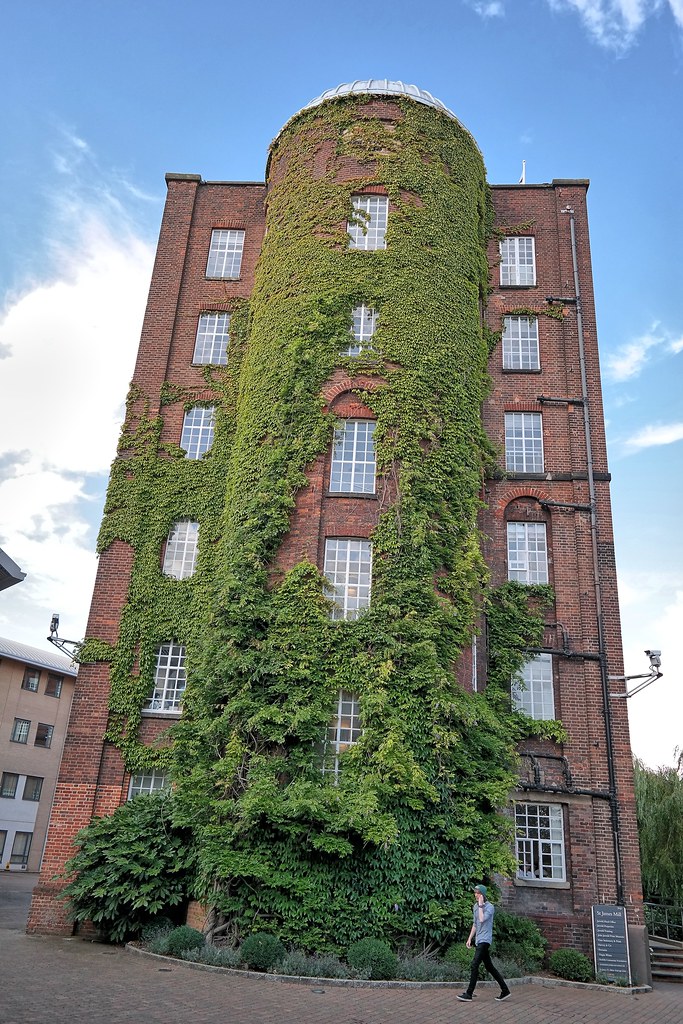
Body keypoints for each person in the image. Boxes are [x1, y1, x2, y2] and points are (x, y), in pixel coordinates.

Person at [456, 884, 511, 1002]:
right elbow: (476, 924)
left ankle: (469, 993)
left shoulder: (489, 907)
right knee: (489, 967)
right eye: (475, 893)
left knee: (474, 964)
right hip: (478, 939)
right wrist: (470, 938)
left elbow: (482, 919)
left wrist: (481, 905)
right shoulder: (476, 907)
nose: (475, 895)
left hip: (485, 940)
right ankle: (505, 990)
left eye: (477, 893)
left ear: (482, 894)